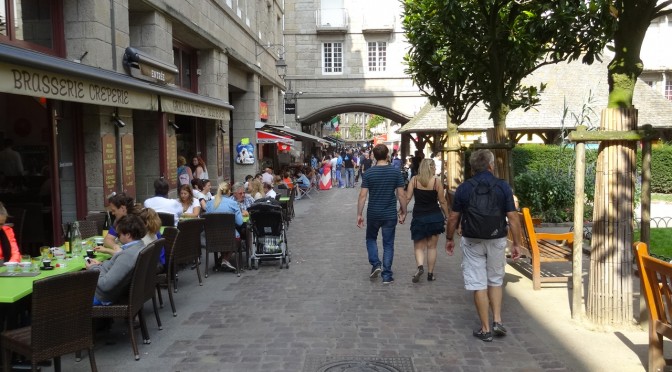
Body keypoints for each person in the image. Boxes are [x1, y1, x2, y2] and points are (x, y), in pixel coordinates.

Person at [445, 149, 521, 342]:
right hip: (497, 238)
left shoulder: (464, 188)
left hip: (472, 240)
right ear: (491, 166)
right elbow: (512, 217)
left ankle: (485, 329)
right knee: (495, 280)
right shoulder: (503, 186)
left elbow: (454, 216)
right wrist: (517, 244)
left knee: (478, 284)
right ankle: (497, 320)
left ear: (472, 168)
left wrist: (449, 238)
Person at [356, 144, 407, 284]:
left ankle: (375, 264)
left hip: (373, 213)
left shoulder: (369, 173)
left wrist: (359, 214)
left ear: (374, 156)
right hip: (389, 214)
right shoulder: (395, 172)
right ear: (387, 155)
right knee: (388, 244)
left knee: (371, 239)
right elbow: (401, 195)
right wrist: (404, 210)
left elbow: (362, 196)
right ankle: (387, 275)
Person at [403, 159, 450, 283]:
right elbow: (443, 201)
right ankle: (430, 274)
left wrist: (402, 211)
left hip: (419, 217)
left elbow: (407, 198)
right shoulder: (436, 182)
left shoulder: (414, 180)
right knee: (432, 247)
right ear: (432, 167)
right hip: (434, 217)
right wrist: (447, 216)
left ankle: (420, 267)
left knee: (418, 247)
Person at [86, 215, 147, 305]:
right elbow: (118, 268)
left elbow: (105, 285)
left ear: (128, 235)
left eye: (119, 234)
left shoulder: (127, 255)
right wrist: (101, 264)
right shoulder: (140, 245)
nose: (117, 238)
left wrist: (93, 268)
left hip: (101, 296)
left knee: (64, 294)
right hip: (114, 290)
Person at [205, 182, 244, 270]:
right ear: (229, 191)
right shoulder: (232, 203)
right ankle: (225, 259)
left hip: (212, 237)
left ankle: (221, 260)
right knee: (237, 237)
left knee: (225, 236)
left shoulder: (209, 204)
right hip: (230, 236)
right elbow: (240, 222)